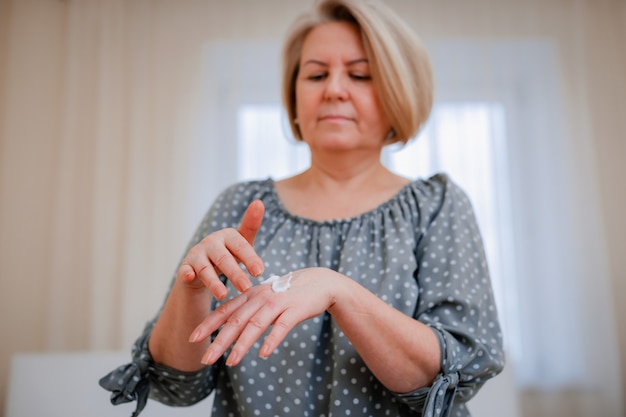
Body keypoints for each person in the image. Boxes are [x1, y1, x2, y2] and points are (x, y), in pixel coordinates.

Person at [100, 0, 505, 416]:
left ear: (399, 90)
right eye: (315, 74)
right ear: (295, 97)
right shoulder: (240, 205)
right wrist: (192, 291)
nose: (333, 89)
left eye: (360, 74)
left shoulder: (436, 206)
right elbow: (177, 385)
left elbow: (452, 375)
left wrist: (339, 292)